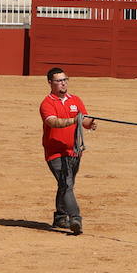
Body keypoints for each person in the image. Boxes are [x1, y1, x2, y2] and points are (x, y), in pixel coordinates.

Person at [40, 68, 97, 234]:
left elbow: (84, 120)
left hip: (73, 150)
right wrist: (74, 120)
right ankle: (75, 218)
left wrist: (90, 123)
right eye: (59, 80)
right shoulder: (47, 103)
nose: (63, 83)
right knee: (67, 184)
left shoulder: (75, 100)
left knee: (65, 184)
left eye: (65, 79)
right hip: (55, 151)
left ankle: (60, 216)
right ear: (50, 83)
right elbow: (53, 122)